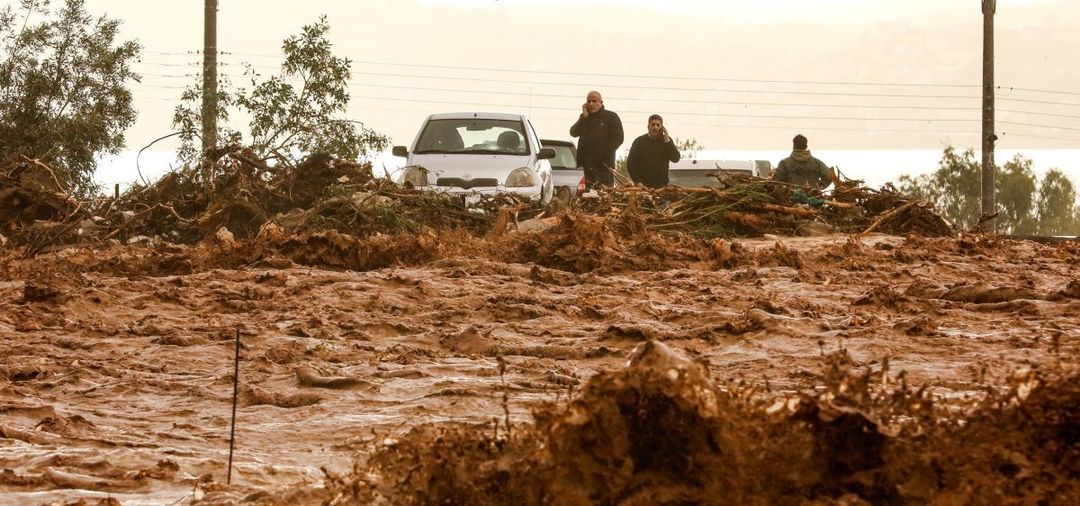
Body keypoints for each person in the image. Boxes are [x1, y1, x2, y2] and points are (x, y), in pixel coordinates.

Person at [570, 90, 623, 189]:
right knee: (585, 199)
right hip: (585, 168)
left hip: (603, 168)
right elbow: (573, 132)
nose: (591, 104)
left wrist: (605, 154)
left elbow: (619, 138)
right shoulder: (585, 119)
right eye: (589, 101)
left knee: (602, 198)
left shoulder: (611, 117)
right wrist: (583, 118)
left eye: (594, 101)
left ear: (601, 102)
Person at [626, 114, 680, 188]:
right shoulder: (639, 141)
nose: (655, 127)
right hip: (643, 187)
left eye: (658, 125)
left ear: (662, 127)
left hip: (662, 187)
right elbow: (631, 164)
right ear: (648, 126)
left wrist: (667, 140)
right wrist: (637, 182)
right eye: (653, 124)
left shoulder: (666, 141)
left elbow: (676, 159)